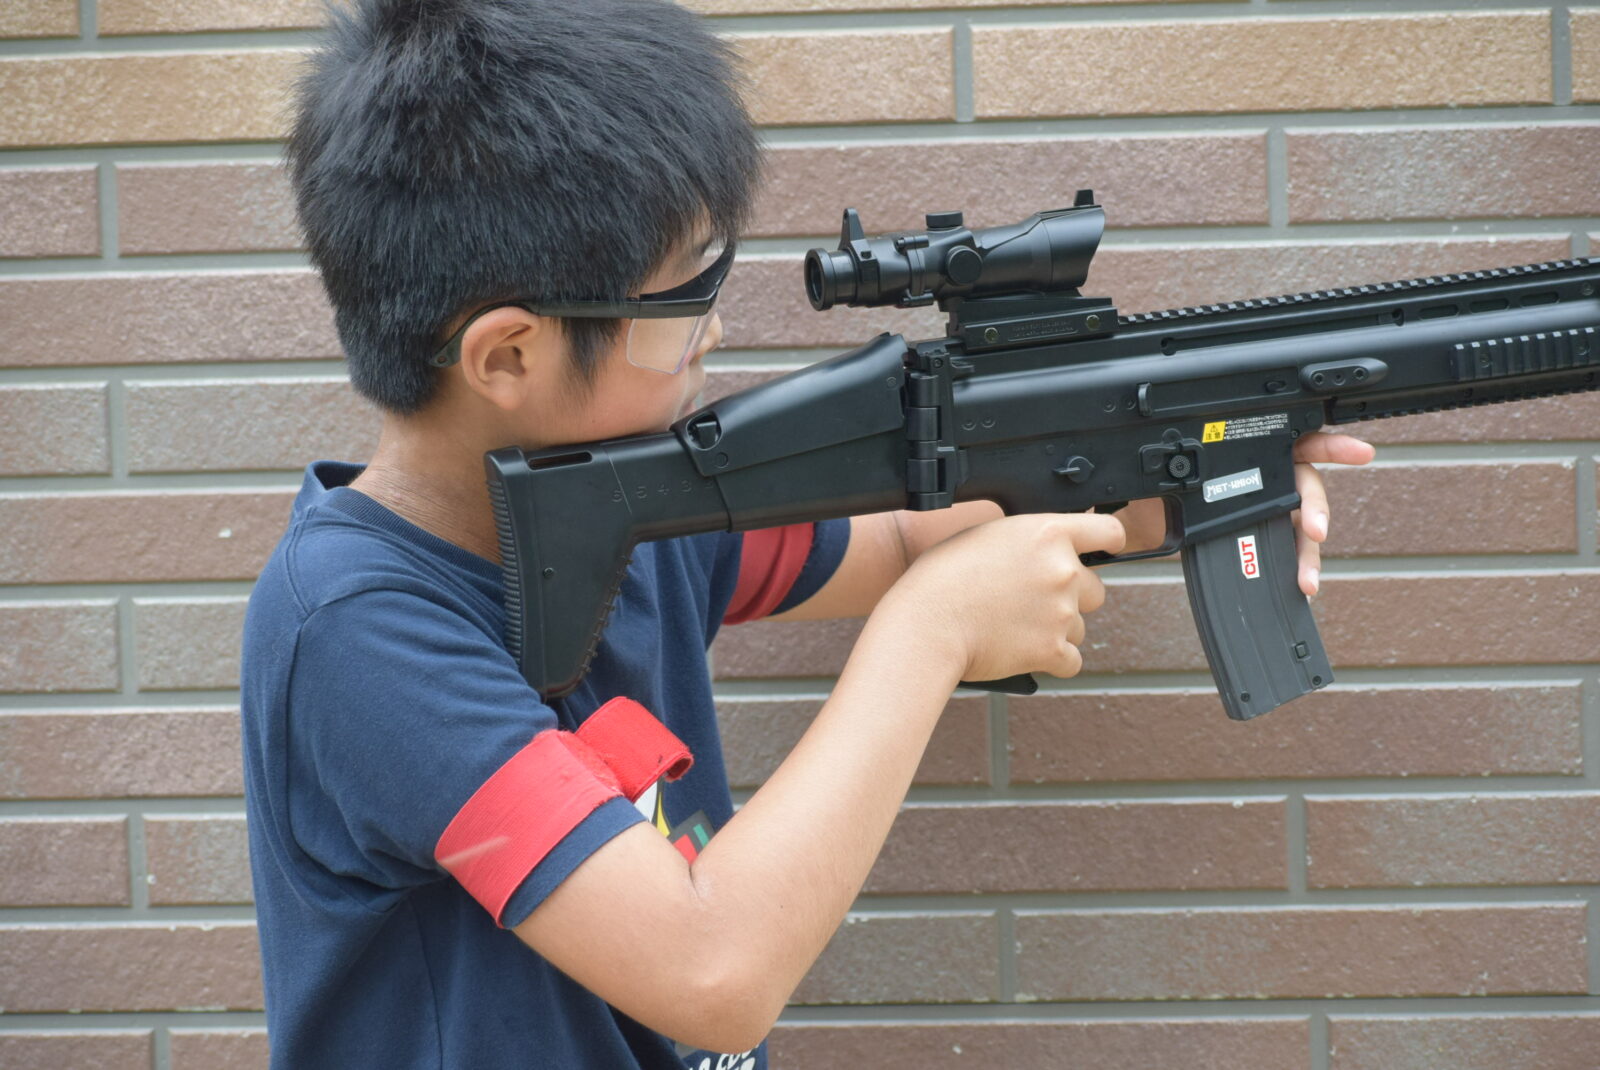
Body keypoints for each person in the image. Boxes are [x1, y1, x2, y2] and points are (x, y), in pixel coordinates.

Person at [239, 0, 1375, 1067]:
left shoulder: (623, 510)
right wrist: (928, 635)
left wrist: (1176, 469)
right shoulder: (356, 631)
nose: (713, 332)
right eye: (682, 305)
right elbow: (711, 972)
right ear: (509, 356)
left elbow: (907, 542)